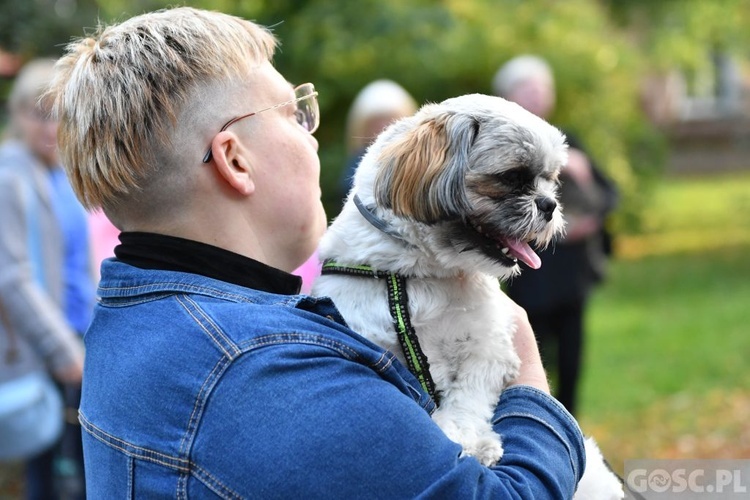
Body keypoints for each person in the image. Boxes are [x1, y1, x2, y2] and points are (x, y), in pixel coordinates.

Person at [49, 7, 585, 497]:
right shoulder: (277, 378)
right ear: (235, 160)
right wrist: (526, 371)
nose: (311, 135)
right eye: (294, 114)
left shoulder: (130, 320)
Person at [494, 55, 619, 416]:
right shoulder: (499, 147)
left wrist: (584, 187)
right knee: (530, 358)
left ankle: (572, 431)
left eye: (542, 88)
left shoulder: (567, 142)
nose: (536, 95)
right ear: (507, 95)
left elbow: (609, 195)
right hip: (531, 273)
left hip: (573, 274)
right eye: (526, 88)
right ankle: (533, 425)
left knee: (571, 358)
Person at [0, 59, 89, 499]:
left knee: (71, 466)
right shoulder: (9, 176)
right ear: (17, 114)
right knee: (54, 474)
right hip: (49, 346)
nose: (51, 127)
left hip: (79, 330)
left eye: (59, 114)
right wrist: (62, 349)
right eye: (40, 114)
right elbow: (11, 278)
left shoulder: (60, 171)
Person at [340, 79, 418, 201]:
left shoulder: (415, 161)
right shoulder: (357, 165)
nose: (383, 128)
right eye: (376, 122)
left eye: (389, 120)